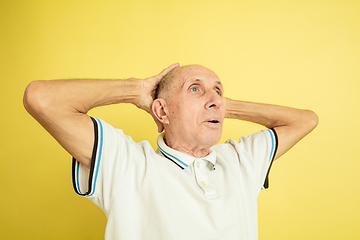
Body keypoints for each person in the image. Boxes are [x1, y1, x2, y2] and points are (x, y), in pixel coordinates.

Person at [23, 63, 318, 240]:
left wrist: (222, 105)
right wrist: (135, 91)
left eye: (218, 90)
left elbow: (305, 120)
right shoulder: (127, 163)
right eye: (195, 89)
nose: (214, 98)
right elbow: (41, 98)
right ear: (162, 111)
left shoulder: (241, 161)